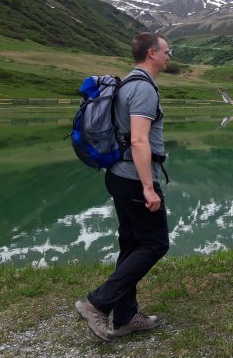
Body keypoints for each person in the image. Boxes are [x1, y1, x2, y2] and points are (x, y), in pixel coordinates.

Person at [75, 32, 172, 342]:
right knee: (156, 243)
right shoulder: (143, 89)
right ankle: (96, 304)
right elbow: (139, 140)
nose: (170, 56)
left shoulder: (128, 83)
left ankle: (127, 316)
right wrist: (148, 187)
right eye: (167, 51)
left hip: (119, 174)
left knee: (132, 244)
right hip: (134, 177)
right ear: (152, 53)